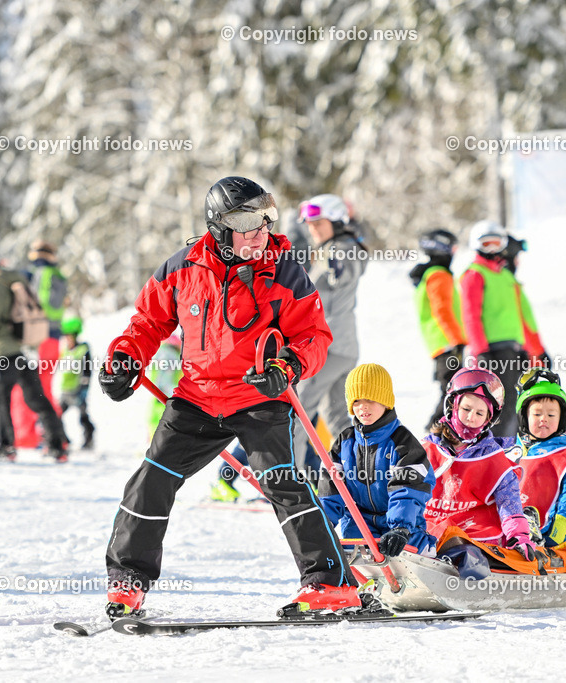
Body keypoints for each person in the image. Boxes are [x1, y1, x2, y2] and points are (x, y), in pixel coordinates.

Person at [97, 176, 376, 619]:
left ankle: (330, 584)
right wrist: (124, 360)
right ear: (219, 224)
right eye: (246, 220)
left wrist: (287, 367)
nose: (259, 230)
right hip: (198, 398)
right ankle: (128, 580)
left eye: (265, 219)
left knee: (283, 481)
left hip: (260, 396)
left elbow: (314, 336)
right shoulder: (182, 267)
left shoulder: (284, 271)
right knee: (151, 480)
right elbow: (147, 324)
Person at [318, 363, 436, 557]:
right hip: (359, 522)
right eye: (356, 401)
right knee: (353, 557)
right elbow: (330, 488)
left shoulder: (402, 443)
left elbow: (409, 489)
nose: (363, 406)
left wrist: (400, 527)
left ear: (385, 401)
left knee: (410, 553)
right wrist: (323, 523)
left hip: (401, 527)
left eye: (370, 399)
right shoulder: (344, 442)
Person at [0, 247, 69, 463]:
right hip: (22, 351)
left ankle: (6, 446)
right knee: (36, 398)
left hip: (3, 353)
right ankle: (57, 445)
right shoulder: (14, 279)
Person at [422, 368, 535, 558]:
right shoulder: (427, 450)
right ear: (453, 406)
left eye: (480, 413)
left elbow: (509, 504)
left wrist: (518, 537)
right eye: (466, 409)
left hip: (475, 542)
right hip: (427, 536)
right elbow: (404, 491)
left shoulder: (495, 461)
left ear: (489, 419)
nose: (471, 418)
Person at [292, 194, 366, 478]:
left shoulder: (342, 249)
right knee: (336, 417)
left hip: (329, 346)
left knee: (298, 411)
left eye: (318, 222)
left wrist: (336, 263)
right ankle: (359, 479)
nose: (313, 228)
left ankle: (292, 482)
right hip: (340, 346)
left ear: (336, 221)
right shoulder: (328, 249)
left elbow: (345, 273)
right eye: (309, 224)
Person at [459, 221, 530, 437]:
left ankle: (515, 455)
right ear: (476, 245)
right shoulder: (474, 274)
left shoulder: (506, 276)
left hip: (514, 348)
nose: (491, 249)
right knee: (501, 405)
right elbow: (471, 316)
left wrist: (526, 348)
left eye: (496, 243)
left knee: (519, 402)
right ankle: (494, 454)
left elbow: (519, 316)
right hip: (493, 349)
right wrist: (481, 351)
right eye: (486, 243)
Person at [515, 368, 566, 547]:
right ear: (524, 418)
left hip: (556, 532)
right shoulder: (513, 451)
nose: (544, 419)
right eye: (537, 414)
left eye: (551, 415)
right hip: (514, 526)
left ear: (561, 419)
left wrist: (561, 524)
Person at [12, 240, 68, 448]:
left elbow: (35, 308)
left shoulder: (35, 274)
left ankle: (26, 436)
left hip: (37, 339)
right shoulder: (58, 276)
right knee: (45, 390)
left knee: (25, 388)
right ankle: (57, 435)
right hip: (54, 339)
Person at [409, 229, 466, 429]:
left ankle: (439, 434)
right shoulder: (439, 275)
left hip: (440, 343)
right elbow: (442, 310)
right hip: (447, 343)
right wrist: (457, 341)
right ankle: (433, 434)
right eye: (452, 248)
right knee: (453, 393)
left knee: (453, 391)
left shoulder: (429, 275)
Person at [503, 235, 551, 369]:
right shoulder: (508, 286)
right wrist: (538, 354)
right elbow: (522, 322)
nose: (518, 263)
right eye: (516, 257)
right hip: (516, 354)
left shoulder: (507, 284)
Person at [57, 316, 95, 450]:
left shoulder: (83, 349)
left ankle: (89, 438)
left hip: (78, 389)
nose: (67, 339)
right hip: (66, 389)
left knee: (83, 416)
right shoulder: (66, 350)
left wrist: (84, 383)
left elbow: (87, 368)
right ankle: (63, 439)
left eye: (69, 336)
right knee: (57, 415)